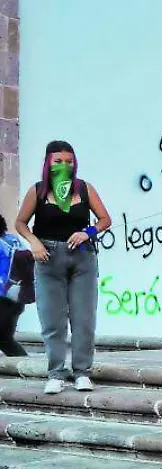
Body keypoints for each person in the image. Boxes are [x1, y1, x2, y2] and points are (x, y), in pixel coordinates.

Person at [13, 140, 111, 393]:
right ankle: (56, 372)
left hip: (82, 257)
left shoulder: (84, 189)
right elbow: (21, 222)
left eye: (69, 161)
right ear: (48, 162)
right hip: (47, 257)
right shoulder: (38, 191)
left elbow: (105, 219)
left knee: (84, 318)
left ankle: (82, 372)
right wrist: (33, 242)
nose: (64, 165)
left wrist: (87, 232)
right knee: (52, 320)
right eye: (58, 161)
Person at [0, 214, 35, 356]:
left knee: (4, 339)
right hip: (17, 297)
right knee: (4, 339)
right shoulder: (13, 240)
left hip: (3, 298)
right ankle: (25, 364)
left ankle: (25, 364)